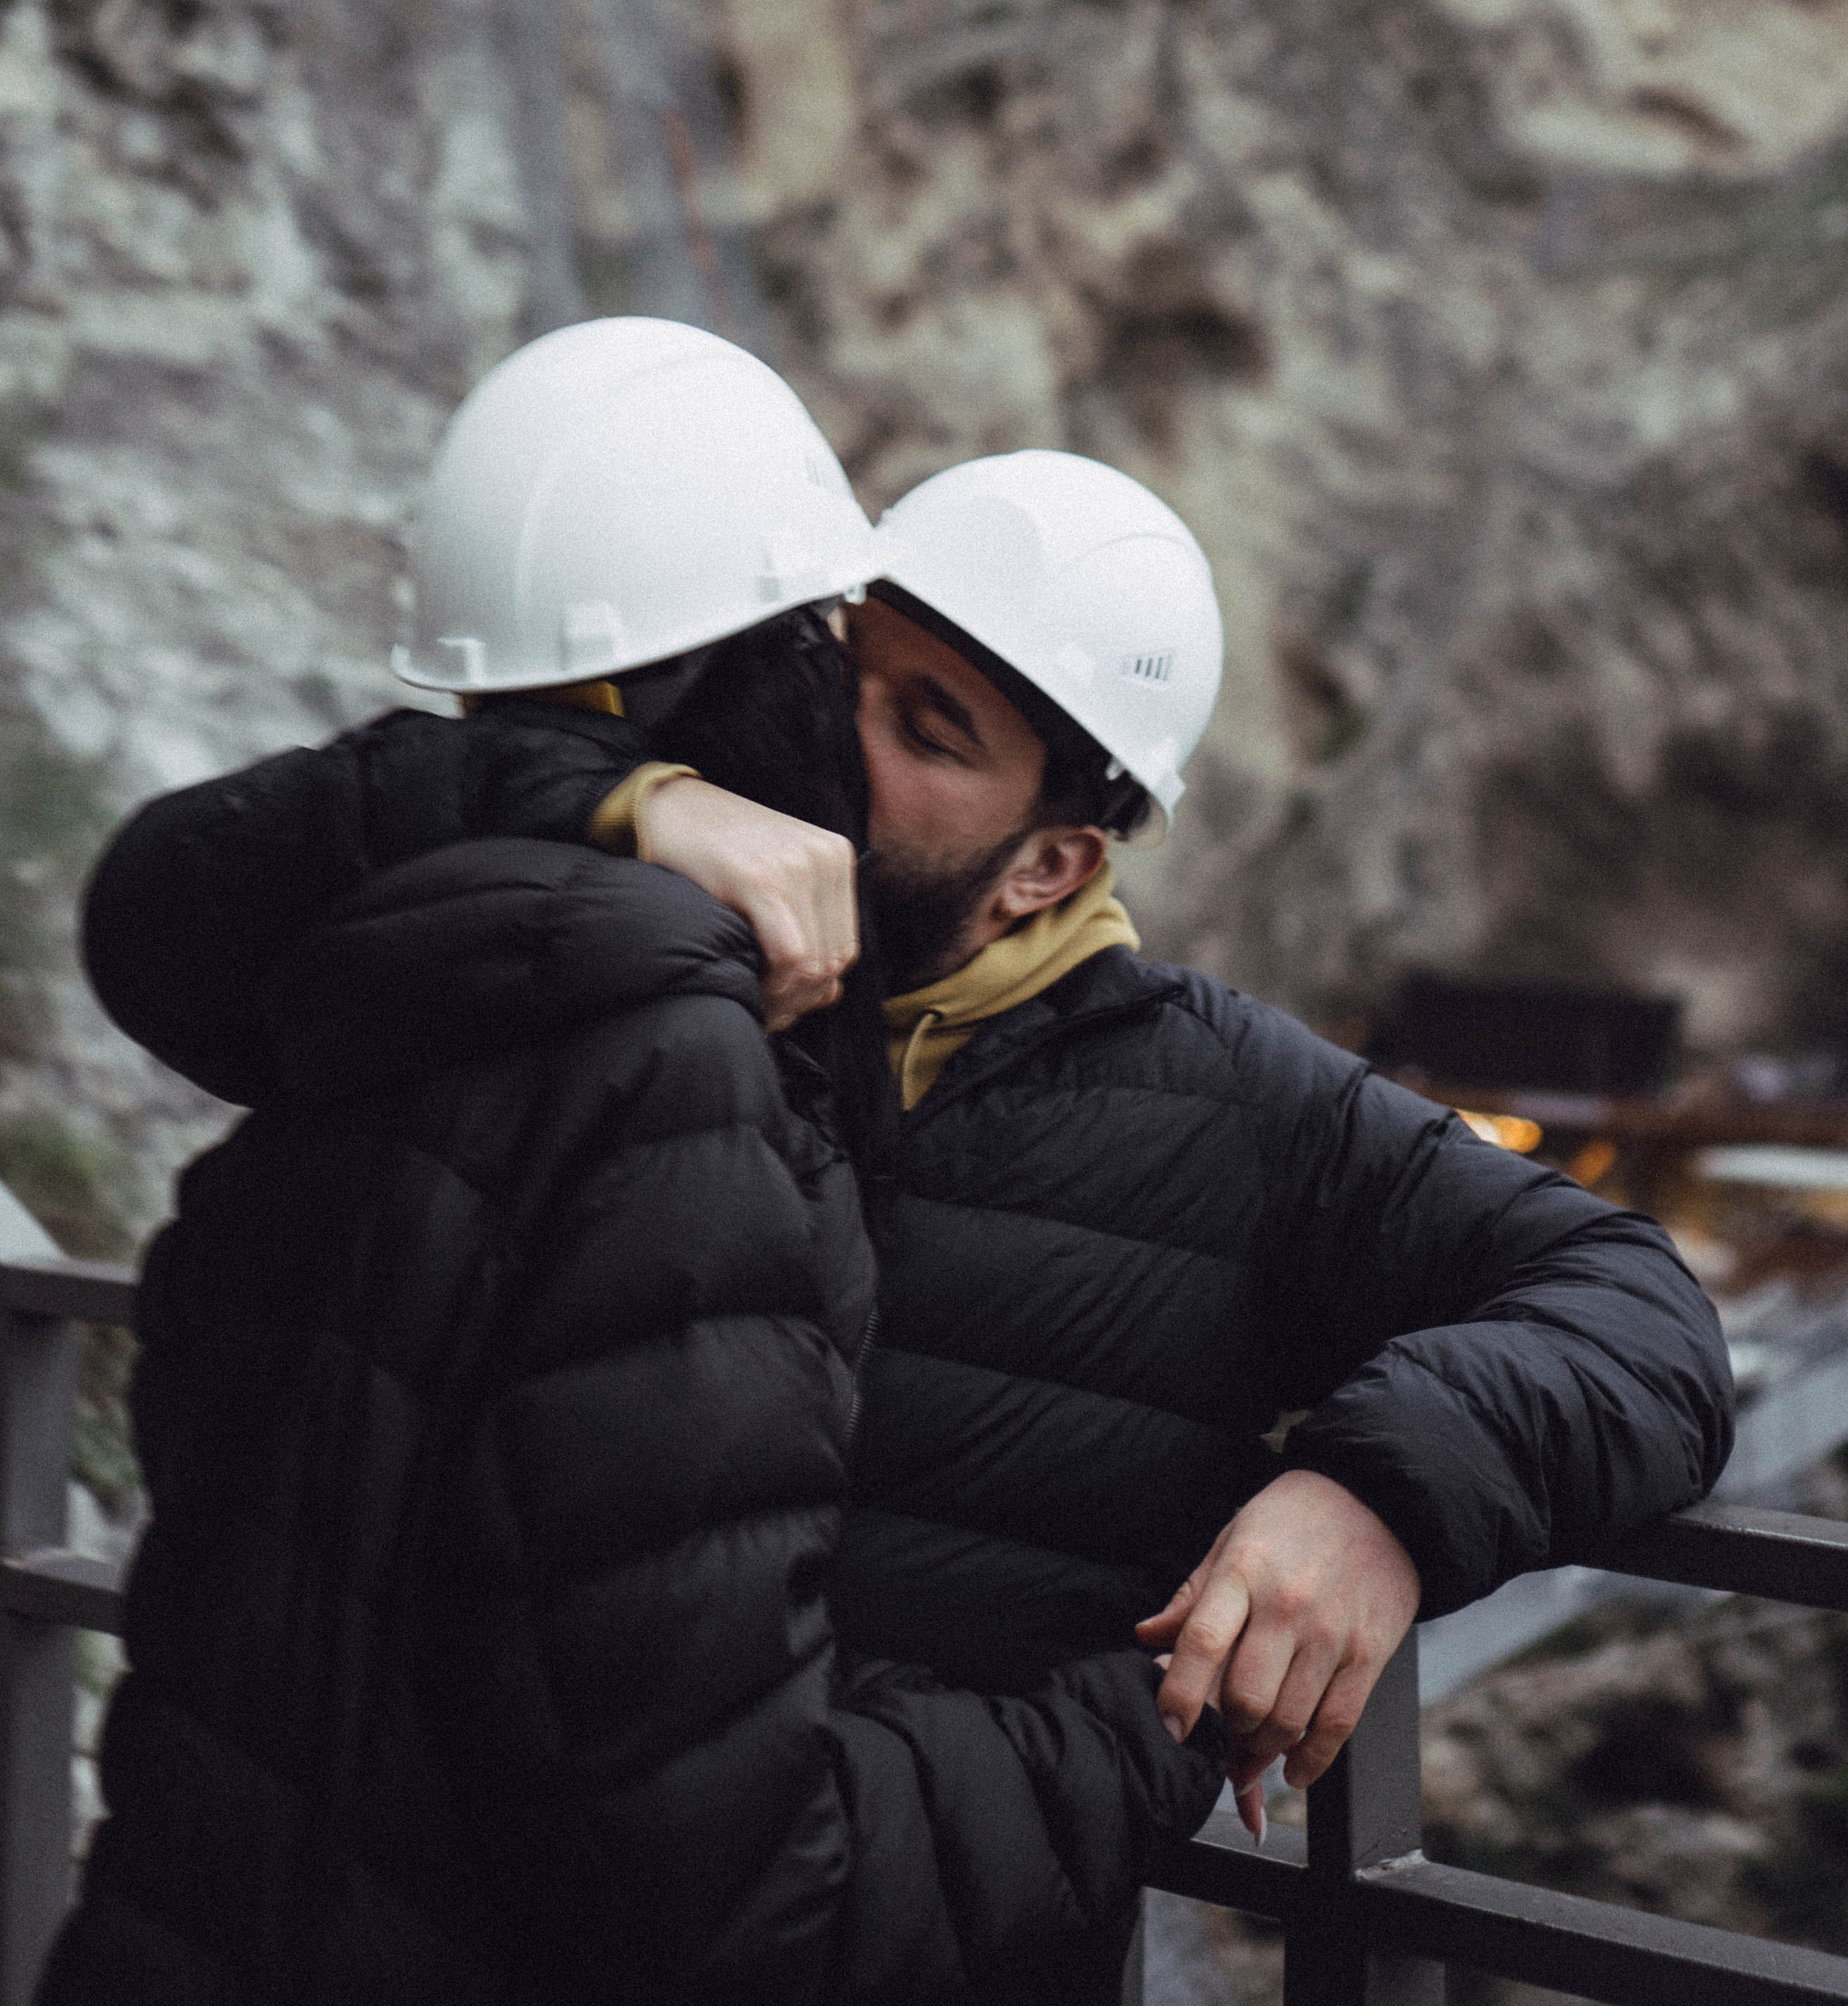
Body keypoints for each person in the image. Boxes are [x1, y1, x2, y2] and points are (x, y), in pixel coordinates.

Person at [65, 346, 1737, 2006]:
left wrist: (1375, 1494)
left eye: (927, 731)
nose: (836, 743)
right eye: (840, 672)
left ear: (1049, 865)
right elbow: (171, 909)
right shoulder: (639, 967)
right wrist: (611, 796)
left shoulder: (1229, 1109)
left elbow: (1640, 1316)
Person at [43, 322, 1224, 2006]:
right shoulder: (673, 1073)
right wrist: (1150, 1720)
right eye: (830, 651)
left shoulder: (366, 973)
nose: (850, 718)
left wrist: (607, 799)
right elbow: (736, 1892)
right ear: (765, 676)